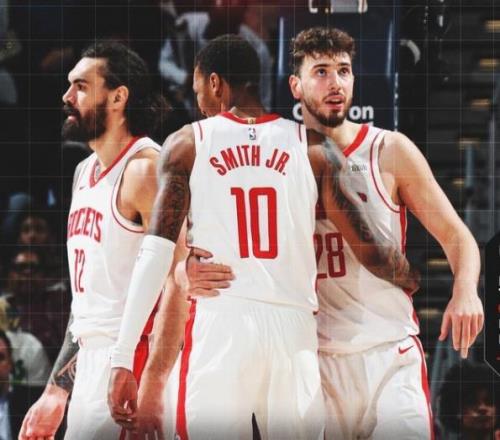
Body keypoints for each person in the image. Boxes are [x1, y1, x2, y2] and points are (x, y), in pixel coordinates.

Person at [107, 35, 419, 440]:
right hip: (293, 331)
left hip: (222, 321)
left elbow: (154, 255)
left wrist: (123, 357)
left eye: (199, 91)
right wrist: (411, 279)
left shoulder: (187, 143)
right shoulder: (314, 147)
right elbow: (372, 252)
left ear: (215, 83)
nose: (199, 103)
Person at [288, 27, 484, 439]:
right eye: (321, 71)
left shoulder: (389, 150)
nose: (335, 83)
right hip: (316, 360)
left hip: (389, 353)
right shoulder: (280, 158)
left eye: (343, 70)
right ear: (296, 85)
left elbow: (457, 236)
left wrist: (465, 290)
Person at [18, 41, 171, 440]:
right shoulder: (83, 172)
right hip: (89, 363)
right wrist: (56, 389)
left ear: (119, 97)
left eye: (82, 86)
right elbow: (85, 303)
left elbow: (180, 281)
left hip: (132, 360)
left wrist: (149, 376)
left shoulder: (146, 171)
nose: (67, 96)